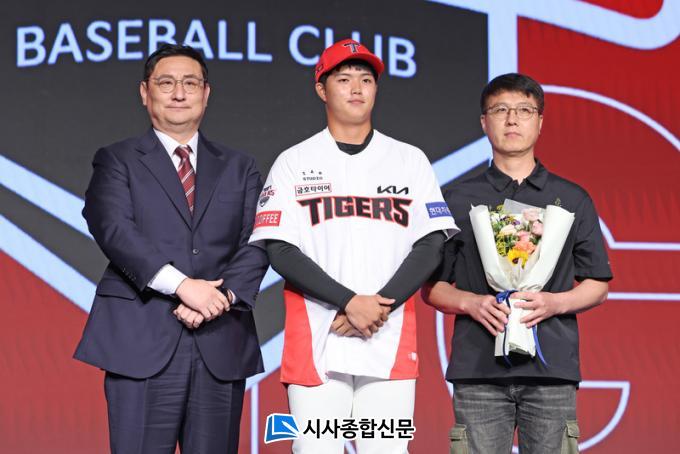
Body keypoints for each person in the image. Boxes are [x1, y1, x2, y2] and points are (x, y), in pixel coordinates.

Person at [248, 39, 459, 453]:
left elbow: (431, 242)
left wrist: (377, 307)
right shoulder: (294, 161)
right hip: (319, 340)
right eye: (344, 79)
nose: (357, 87)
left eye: (366, 79)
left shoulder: (408, 159)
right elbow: (280, 249)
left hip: (387, 340)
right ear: (321, 89)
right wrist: (349, 302)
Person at [74, 44, 268, 453]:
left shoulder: (240, 166)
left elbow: (259, 239)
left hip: (220, 339)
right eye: (166, 83)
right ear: (145, 92)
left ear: (206, 93)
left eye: (190, 83)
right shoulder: (116, 160)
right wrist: (183, 286)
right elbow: (113, 229)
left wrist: (218, 298)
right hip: (141, 341)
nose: (179, 93)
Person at [423, 73, 612, 454]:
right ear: (484, 122)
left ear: (539, 122)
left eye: (524, 110)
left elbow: (598, 284)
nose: (512, 119)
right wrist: (472, 303)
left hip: (551, 368)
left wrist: (554, 302)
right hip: (478, 370)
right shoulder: (456, 198)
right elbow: (433, 288)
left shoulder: (571, 198)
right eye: (500, 110)